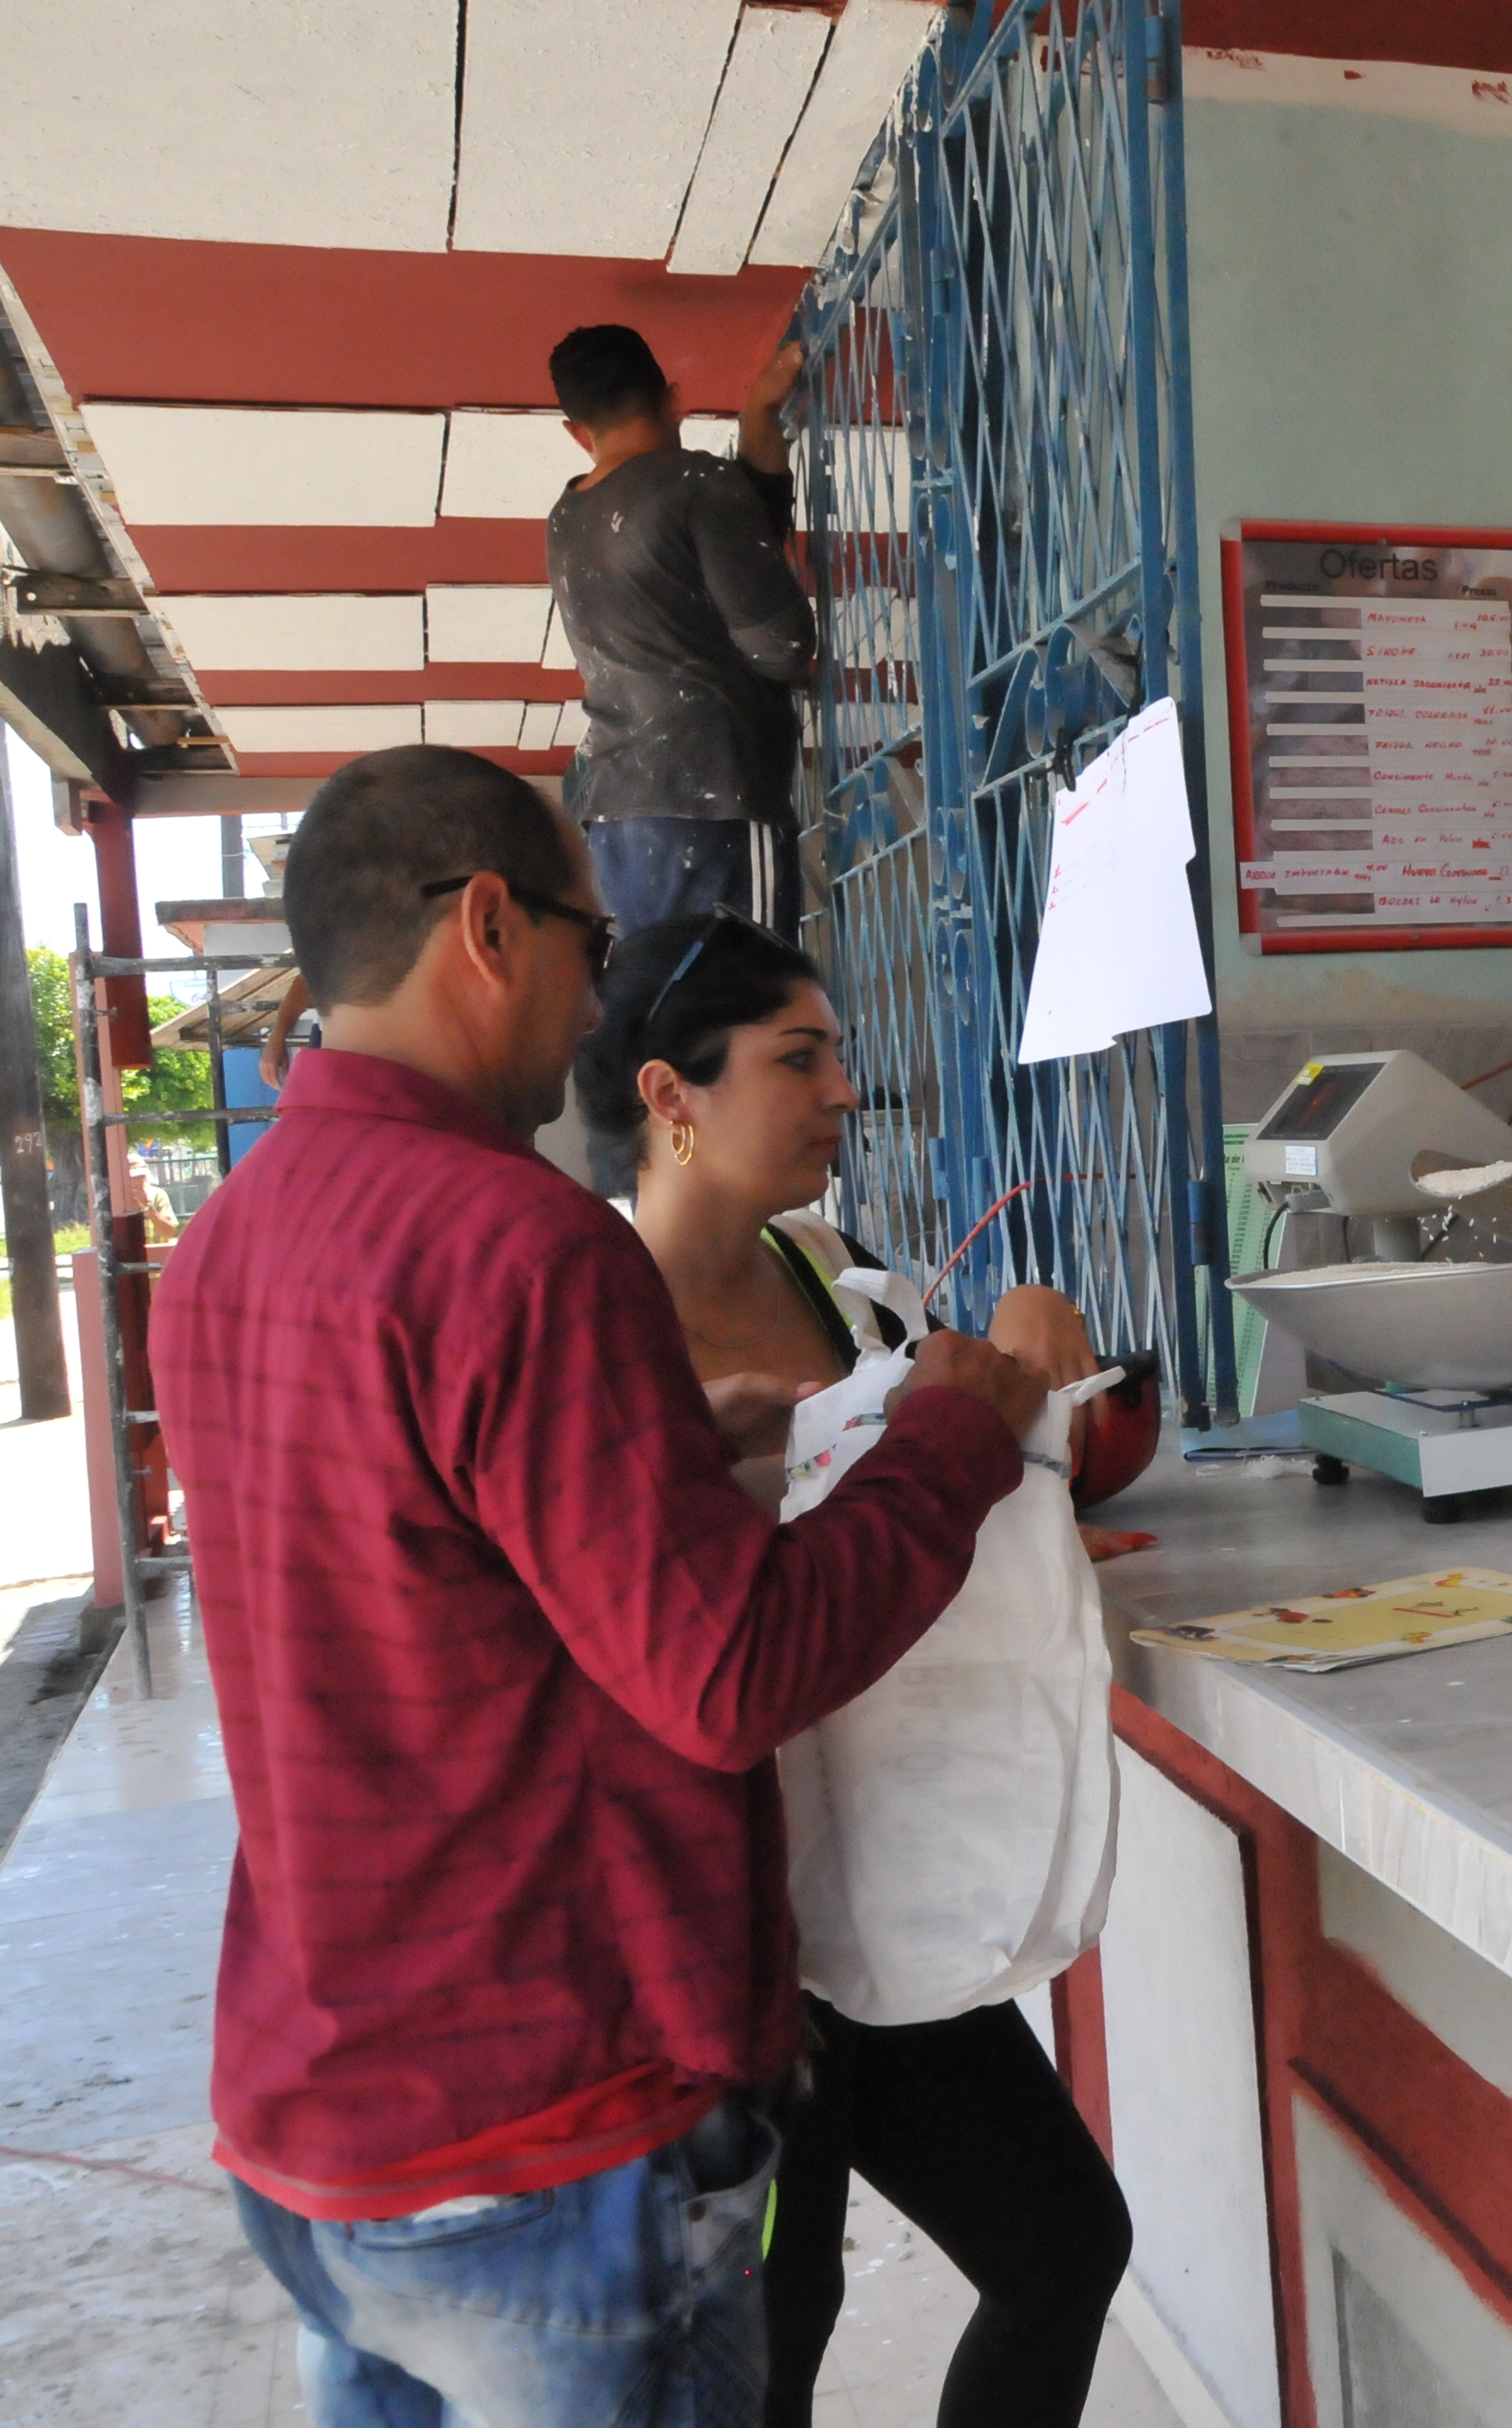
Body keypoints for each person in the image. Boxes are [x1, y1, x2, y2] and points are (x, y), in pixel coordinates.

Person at [153, 746, 1046, 2424]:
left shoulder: (228, 1243)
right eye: (581, 938)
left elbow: (407, 1558)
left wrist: (657, 1444)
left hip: (322, 2126)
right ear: (487, 925)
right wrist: (954, 1436)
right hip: (540, 2131)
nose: (586, 1000)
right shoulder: (522, 1242)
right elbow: (731, 1674)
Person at [574, 912, 1133, 2428]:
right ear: (669, 1094)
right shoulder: (597, 1329)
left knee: (1062, 2241)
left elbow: (923, 1514)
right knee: (780, 2327)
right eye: (797, 1057)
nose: (839, 1095)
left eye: (837, 1057)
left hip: (870, 1868)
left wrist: (1038, 1409)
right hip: (726, 1916)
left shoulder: (825, 1272)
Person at [546, 323, 817, 935]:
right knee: (750, 998)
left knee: (676, 1012)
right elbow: (784, 644)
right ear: (673, 398)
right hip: (716, 796)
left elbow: (708, 554)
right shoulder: (697, 483)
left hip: (618, 816)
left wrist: (757, 419)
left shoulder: (565, 518)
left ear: (576, 432)